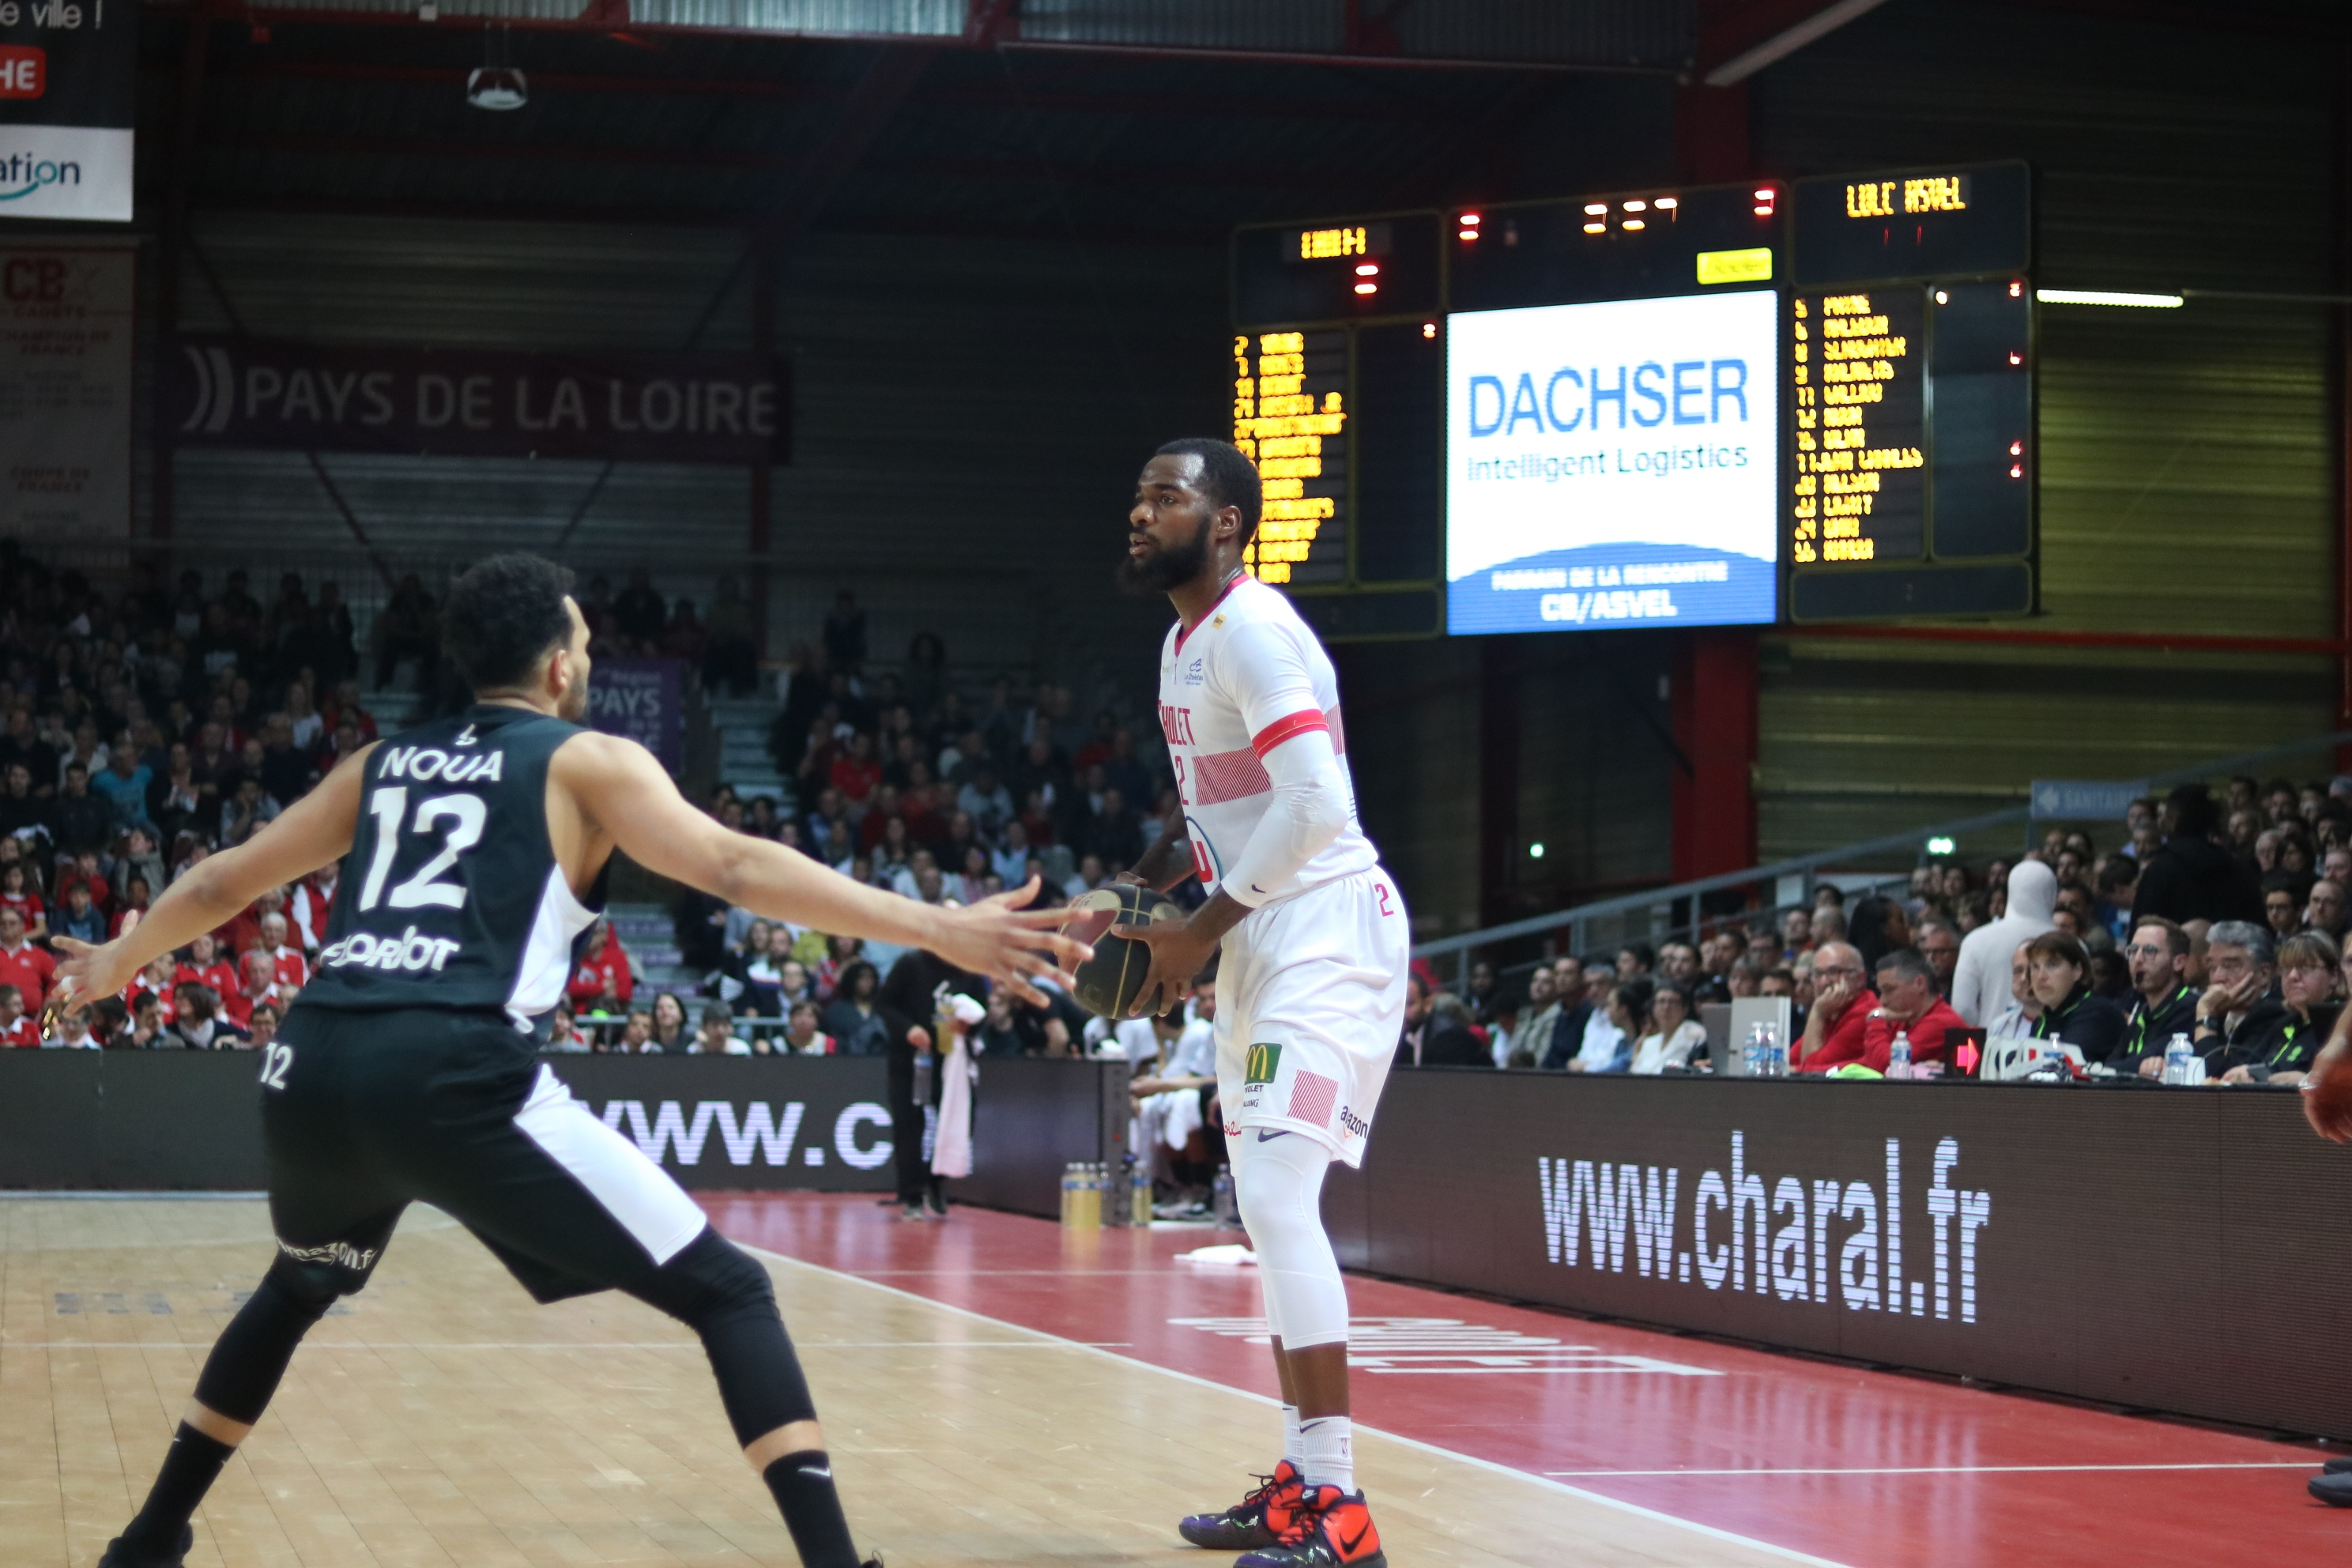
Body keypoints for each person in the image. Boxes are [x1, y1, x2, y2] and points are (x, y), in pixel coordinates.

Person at [51, 552, 1084, 1568]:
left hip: (311, 1065)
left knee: (297, 1288)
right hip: (450, 1067)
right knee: (729, 1292)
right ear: (557, 665)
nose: (587, 658)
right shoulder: (587, 759)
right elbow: (729, 864)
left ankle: (147, 1540)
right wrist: (931, 924)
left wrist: (113, 962)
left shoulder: (379, 764)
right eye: (584, 640)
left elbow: (224, 880)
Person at [1106, 439, 1406, 1568]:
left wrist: (1195, 932)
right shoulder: (1184, 643)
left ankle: (1340, 1510)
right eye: (1137, 497)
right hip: (1258, 933)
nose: (1140, 513)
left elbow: (1318, 804)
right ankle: (1300, 1481)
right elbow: (1222, 816)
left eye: (1166, 497)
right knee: (1264, 1213)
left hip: (1326, 928)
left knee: (1280, 1200)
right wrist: (1140, 887)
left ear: (1226, 522)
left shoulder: (1257, 632)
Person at [2217, 929, 2337, 1085]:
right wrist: (2245, 1072)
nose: (2293, 976)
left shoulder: (2338, 1024)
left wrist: (2305, 1081)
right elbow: (2246, 1067)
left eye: (2306, 968)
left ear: (2334, 976)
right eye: (2286, 969)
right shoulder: (2285, 1024)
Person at [1951, 860, 2057, 1027]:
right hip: (2055, 1046)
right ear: (2052, 895)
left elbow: (1963, 1008)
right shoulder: (2073, 945)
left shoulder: (1976, 940)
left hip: (1993, 1045)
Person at [2184, 921, 2290, 1081]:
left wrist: (2206, 1014)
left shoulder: (2275, 1013)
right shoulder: (2219, 1009)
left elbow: (2220, 1076)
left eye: (2231, 966)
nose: (2218, 978)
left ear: (2263, 973)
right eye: (2212, 967)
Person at [2022, 930, 2128, 1064]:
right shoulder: (2044, 1019)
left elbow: (2063, 1066)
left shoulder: (2097, 1014)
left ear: (2077, 970)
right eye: (2035, 966)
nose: (2041, 976)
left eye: (2052, 965)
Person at [2120, 916, 2201, 1078]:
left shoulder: (2189, 1008)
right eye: (2133, 950)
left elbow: (2140, 1062)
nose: (2138, 959)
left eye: (2150, 951)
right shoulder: (2143, 1010)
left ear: (2179, 962)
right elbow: (2112, 1063)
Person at [1792, 942, 1875, 1070]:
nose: (1824, 982)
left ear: (1860, 979)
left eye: (1834, 972)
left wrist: (1817, 1013)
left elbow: (1810, 1071)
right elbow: (1789, 1060)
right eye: (1818, 974)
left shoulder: (1866, 1013)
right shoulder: (1831, 1009)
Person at [1626, 980, 1704, 1074]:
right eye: (1661, 1001)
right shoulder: (1648, 1043)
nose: (1666, 1007)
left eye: (1673, 1002)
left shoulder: (1695, 1034)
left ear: (1685, 1009)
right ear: (1653, 1008)